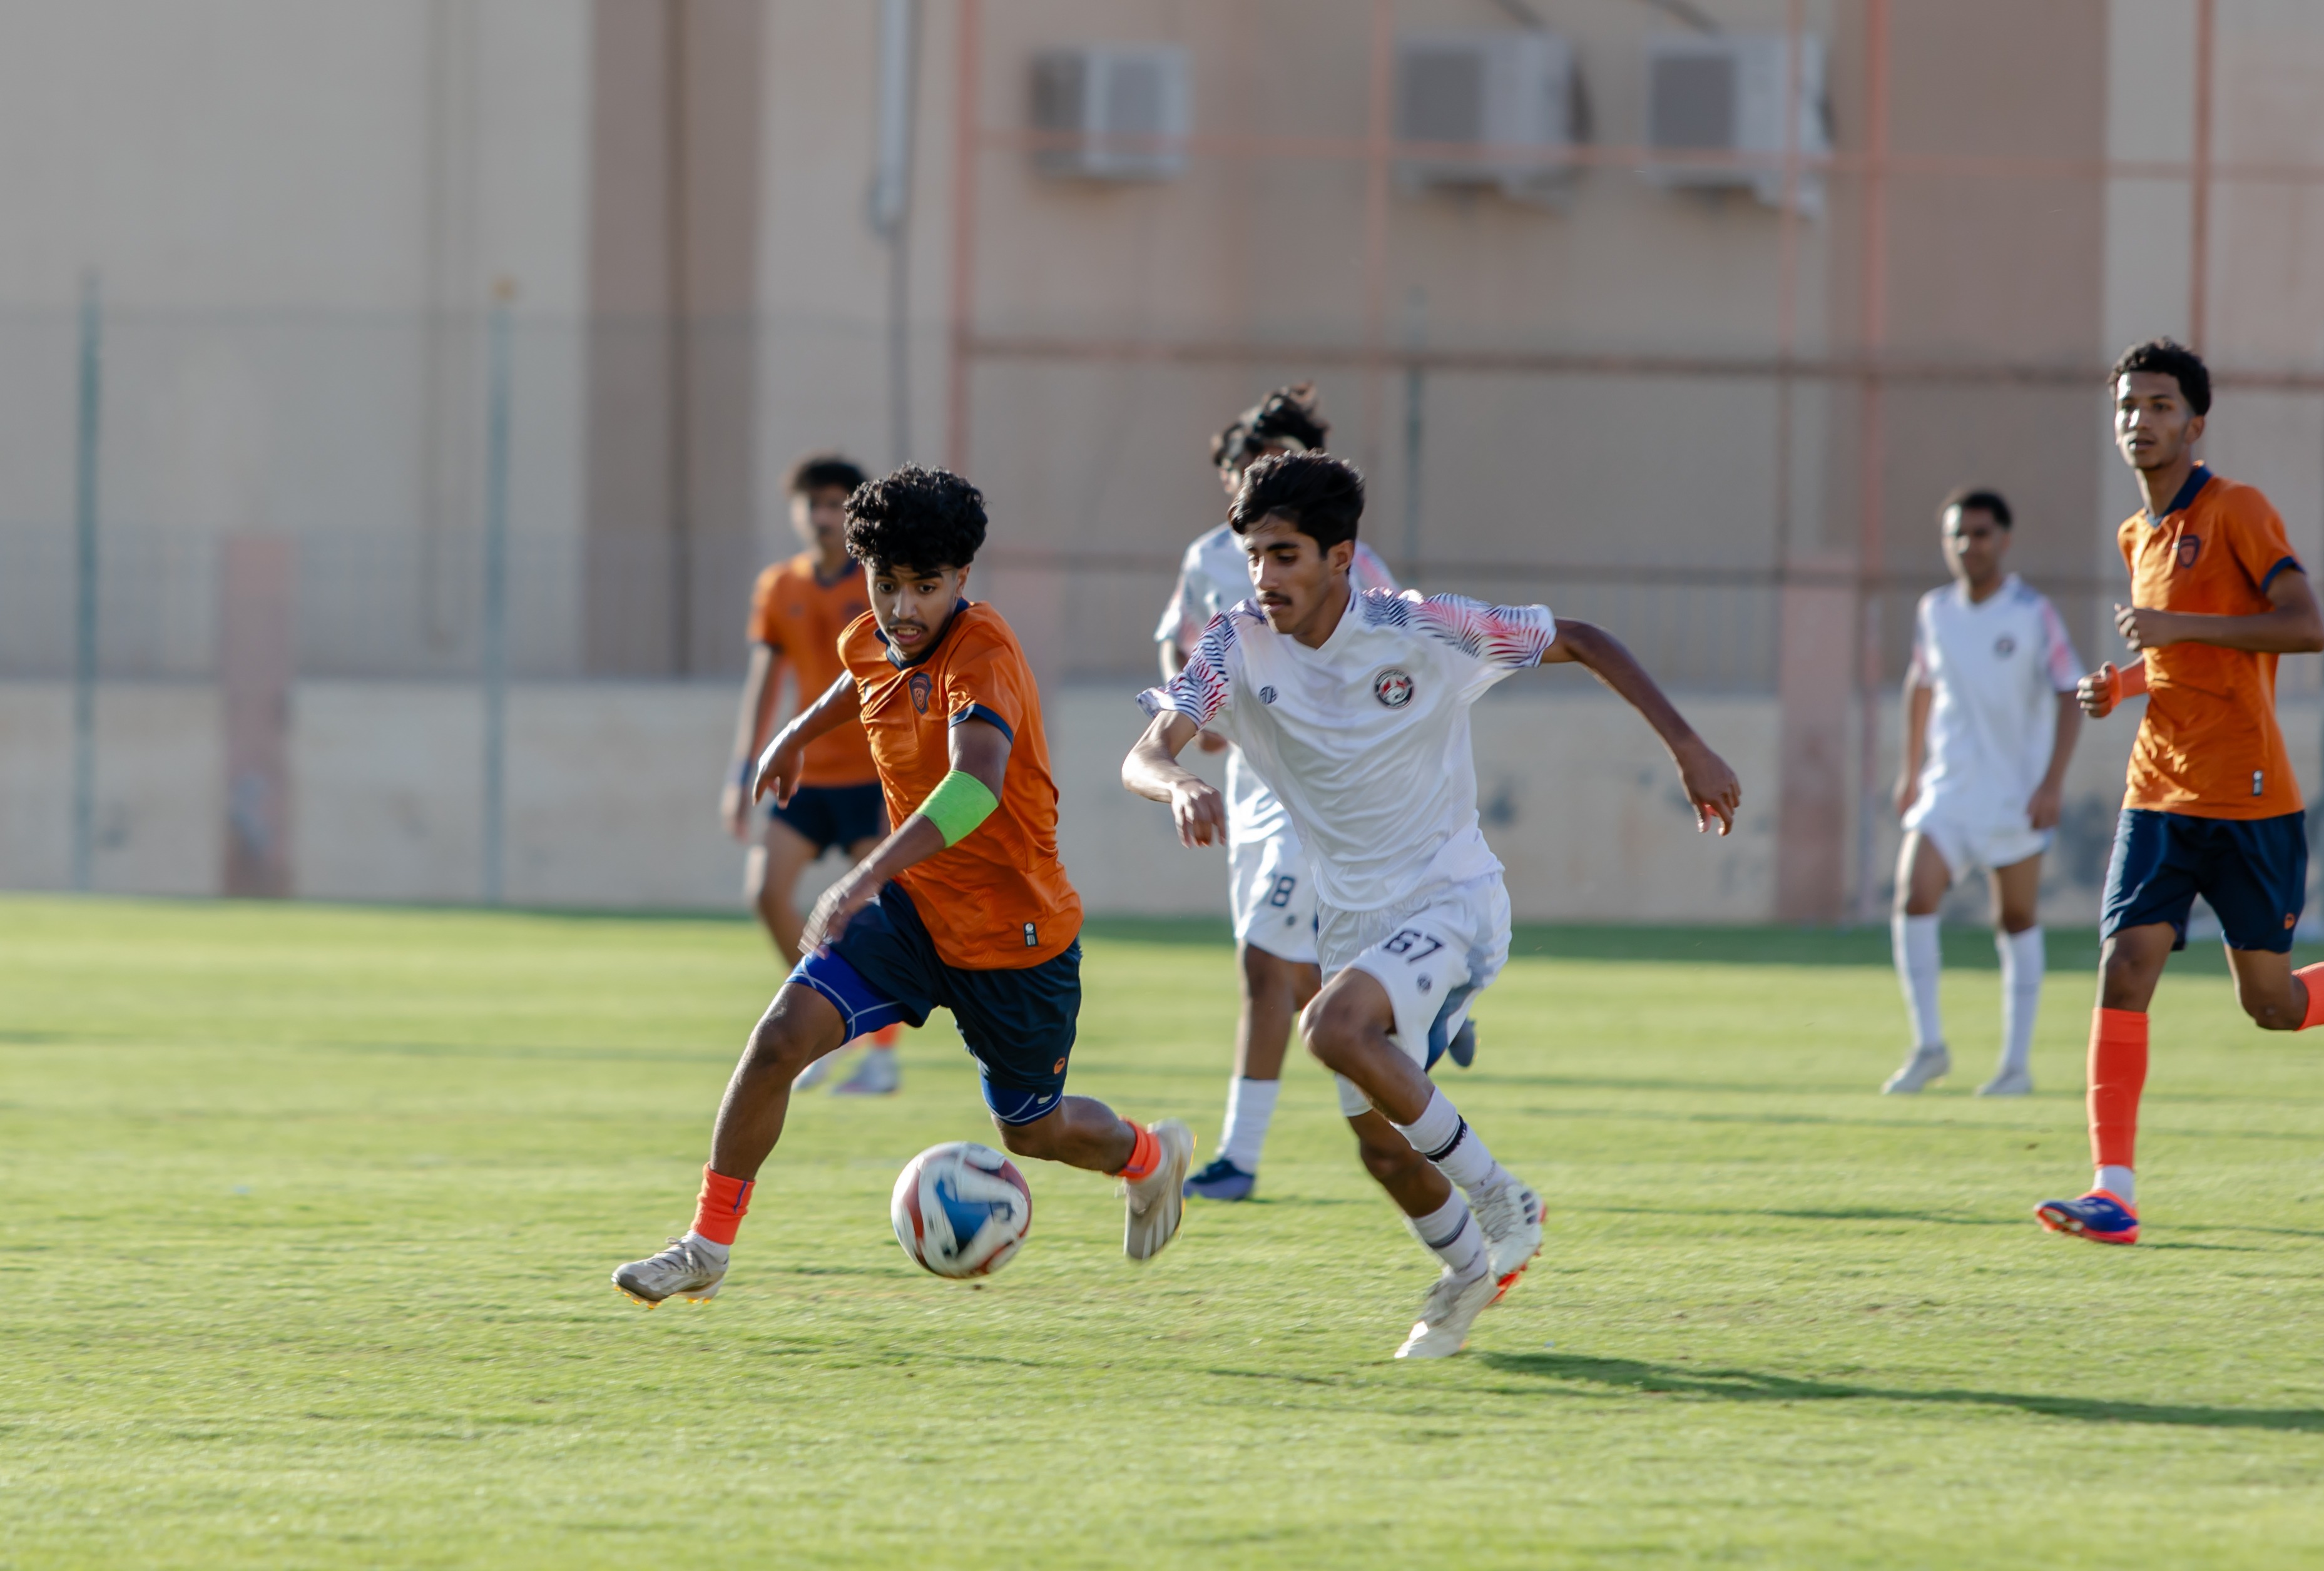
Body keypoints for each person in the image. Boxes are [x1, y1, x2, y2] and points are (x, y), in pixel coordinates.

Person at [1123, 452, 1743, 1358]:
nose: (1264, 578)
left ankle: (1502, 1197)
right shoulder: (1232, 642)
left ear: (1340, 556)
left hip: (1454, 898)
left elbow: (1581, 638)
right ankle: (1464, 1274)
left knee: (1330, 1027)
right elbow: (1145, 749)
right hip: (1353, 927)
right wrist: (1175, 782)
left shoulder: (1418, 628)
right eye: (1252, 555)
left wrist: (1689, 749)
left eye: (1284, 555)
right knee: (1381, 1149)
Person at [616, 465, 1193, 1306]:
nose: (903, 608)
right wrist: (793, 734)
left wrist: (863, 872)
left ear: (962, 578)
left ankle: (1148, 1155)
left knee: (1031, 1128)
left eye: (926, 586)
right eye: (887, 585)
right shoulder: (870, 634)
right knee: (778, 1038)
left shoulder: (983, 652)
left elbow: (975, 785)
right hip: (914, 914)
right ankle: (705, 1244)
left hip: (1014, 938)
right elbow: (865, 677)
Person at [2040, 338, 2324, 1247]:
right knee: (2123, 964)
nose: (2141, 420)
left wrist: (2174, 624)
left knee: (2271, 1004)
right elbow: (2181, 664)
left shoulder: (2236, 509)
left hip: (2249, 800)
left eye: (2160, 404)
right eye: (2128, 406)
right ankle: (2112, 1191)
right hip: (2157, 795)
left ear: (2194, 422)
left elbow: (2305, 627)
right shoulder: (2138, 533)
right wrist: (2122, 686)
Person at [1153, 385, 1410, 1205]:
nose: (1256, 479)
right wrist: (1195, 715)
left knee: (1266, 962)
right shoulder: (1208, 559)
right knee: (1282, 970)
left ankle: (1238, 1156)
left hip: (1321, 787)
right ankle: (1409, 1022)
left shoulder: (1342, 558)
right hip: (1248, 784)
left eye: (1277, 464)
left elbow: (1389, 644)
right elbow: (1176, 643)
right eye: (1246, 467)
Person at [1882, 489, 2084, 1097]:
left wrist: (2050, 783)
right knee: (1912, 895)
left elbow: (2069, 691)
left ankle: (2014, 1067)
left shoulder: (2030, 613)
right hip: (1948, 789)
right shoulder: (1934, 611)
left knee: (2014, 917)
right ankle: (1928, 1048)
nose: (1968, 545)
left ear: (2004, 540)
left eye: (1979, 533)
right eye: (1957, 535)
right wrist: (1909, 769)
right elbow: (1919, 684)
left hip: (2012, 795)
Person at [722, 454, 899, 1097]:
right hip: (805, 776)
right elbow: (763, 684)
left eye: (834, 503)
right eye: (812, 504)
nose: (822, 516)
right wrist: (741, 772)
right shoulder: (780, 586)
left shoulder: (881, 584)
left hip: (871, 778)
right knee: (766, 893)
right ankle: (820, 1020)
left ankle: (881, 1060)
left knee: (874, 917)